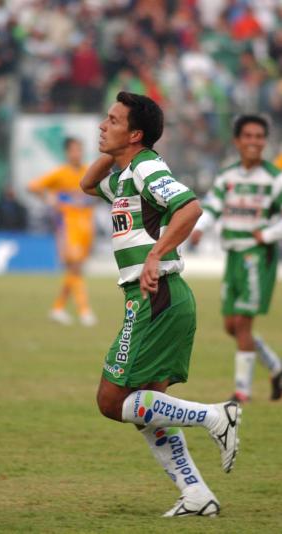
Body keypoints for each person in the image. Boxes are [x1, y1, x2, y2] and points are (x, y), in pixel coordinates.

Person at [80, 91, 242, 517]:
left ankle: (215, 416)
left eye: (112, 121)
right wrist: (116, 152)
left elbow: (189, 207)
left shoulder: (148, 166)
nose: (102, 125)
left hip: (157, 295)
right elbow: (86, 184)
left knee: (112, 401)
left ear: (135, 134)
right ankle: (196, 496)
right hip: (160, 299)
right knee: (147, 408)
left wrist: (155, 254)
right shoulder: (126, 174)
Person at [191, 114, 282, 402]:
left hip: (257, 256)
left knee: (242, 323)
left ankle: (242, 391)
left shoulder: (273, 178)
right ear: (238, 141)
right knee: (231, 326)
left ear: (265, 142)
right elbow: (213, 206)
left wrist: (266, 235)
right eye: (249, 136)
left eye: (259, 136)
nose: (254, 142)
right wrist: (199, 230)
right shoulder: (227, 176)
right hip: (232, 255)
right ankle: (276, 367)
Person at [28, 137, 97, 326]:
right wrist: (50, 201)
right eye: (74, 150)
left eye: (80, 150)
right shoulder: (60, 174)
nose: (77, 154)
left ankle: (58, 308)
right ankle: (84, 311)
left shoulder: (88, 172)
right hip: (68, 226)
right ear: (67, 153)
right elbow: (33, 186)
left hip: (86, 227)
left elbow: (98, 193)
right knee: (74, 267)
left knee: (76, 270)